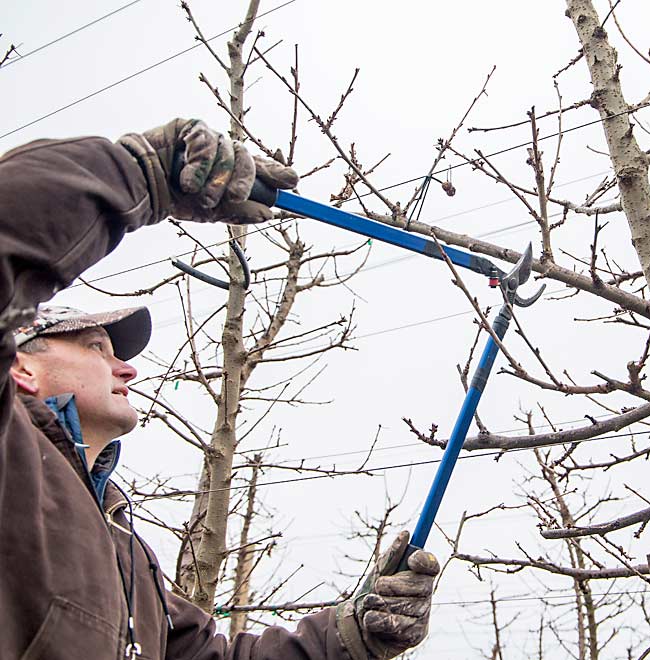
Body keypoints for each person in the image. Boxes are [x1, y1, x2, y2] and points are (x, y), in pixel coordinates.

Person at [0, 119, 438, 660]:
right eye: (95, 347)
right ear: (20, 365)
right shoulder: (11, 463)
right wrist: (141, 173)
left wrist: (355, 633)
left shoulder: (123, 549)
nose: (127, 370)